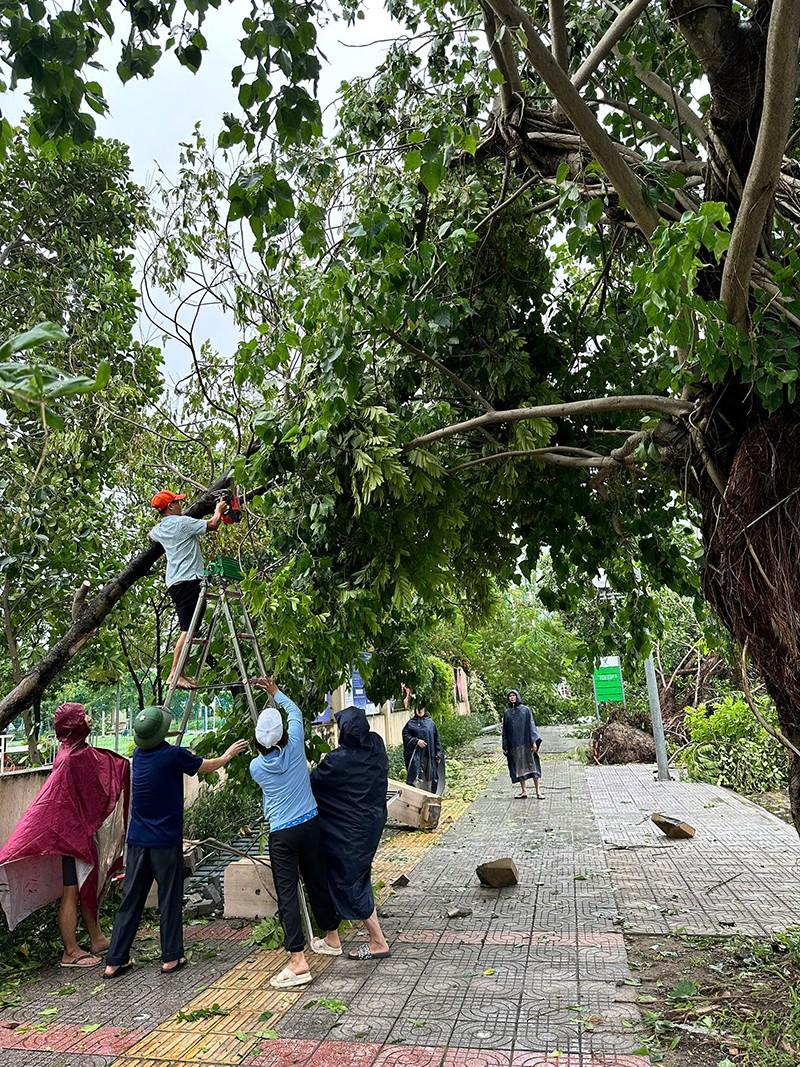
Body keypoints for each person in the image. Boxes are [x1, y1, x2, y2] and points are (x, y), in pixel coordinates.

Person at [103, 706, 248, 978]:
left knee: (131, 900)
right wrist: (229, 754)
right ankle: (171, 957)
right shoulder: (174, 756)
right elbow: (207, 766)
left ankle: (115, 961)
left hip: (136, 843)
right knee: (169, 899)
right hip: (165, 843)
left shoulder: (138, 755)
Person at [0, 703, 129, 968]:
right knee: (72, 890)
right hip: (71, 836)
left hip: (73, 832)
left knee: (85, 886)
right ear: (75, 724)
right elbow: (106, 773)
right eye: (84, 716)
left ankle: (96, 937)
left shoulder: (69, 751)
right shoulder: (74, 758)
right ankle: (70, 951)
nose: (90, 719)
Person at [249, 677, 342, 989]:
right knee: (317, 880)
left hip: (283, 835)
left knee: (288, 893)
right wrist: (277, 693)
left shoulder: (256, 767)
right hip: (310, 824)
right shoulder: (296, 746)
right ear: (285, 734)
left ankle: (298, 962)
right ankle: (331, 937)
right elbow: (297, 714)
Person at [311, 706, 391, 961]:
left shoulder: (339, 760)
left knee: (349, 882)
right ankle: (333, 936)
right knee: (359, 876)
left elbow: (314, 782)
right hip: (372, 824)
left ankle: (378, 941)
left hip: (348, 832)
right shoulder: (376, 745)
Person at [149, 489, 228, 691]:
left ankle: (177, 672)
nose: (180, 504)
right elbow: (212, 525)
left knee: (189, 628)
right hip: (190, 581)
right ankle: (175, 673)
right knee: (188, 630)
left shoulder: (159, 529)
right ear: (170, 507)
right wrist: (218, 510)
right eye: (176, 502)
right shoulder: (182, 523)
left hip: (175, 583)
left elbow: (151, 535)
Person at [502, 689, 543, 800]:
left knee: (533, 767)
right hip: (514, 745)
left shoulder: (526, 710)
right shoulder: (507, 713)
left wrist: (534, 741)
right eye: (510, 696)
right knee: (519, 768)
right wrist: (505, 746)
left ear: (517, 696)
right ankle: (524, 791)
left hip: (527, 743)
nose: (512, 697)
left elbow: (531, 726)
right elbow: (505, 731)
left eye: (513, 695)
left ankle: (538, 792)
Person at [402, 702, 445, 795]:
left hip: (429, 757)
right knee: (416, 781)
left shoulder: (430, 723)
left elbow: (436, 739)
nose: (420, 710)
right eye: (418, 708)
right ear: (415, 710)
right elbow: (406, 736)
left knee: (430, 780)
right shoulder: (410, 724)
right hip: (416, 758)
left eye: (422, 708)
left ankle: (430, 800)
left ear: (424, 710)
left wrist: (438, 754)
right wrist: (416, 741)